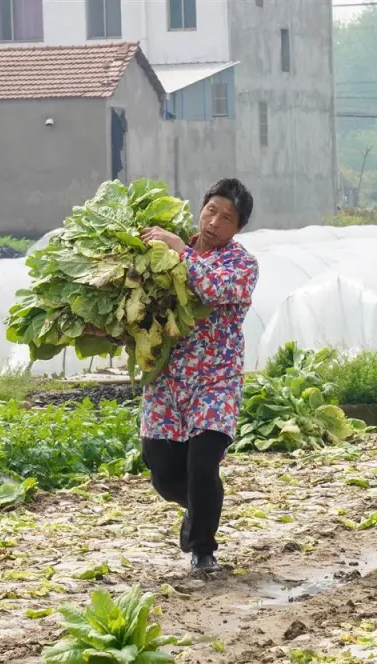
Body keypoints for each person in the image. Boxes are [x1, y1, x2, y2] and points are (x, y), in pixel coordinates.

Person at [138, 178, 259, 574]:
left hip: (215, 381)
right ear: (201, 206)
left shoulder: (241, 265)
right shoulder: (162, 250)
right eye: (212, 210)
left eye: (227, 218)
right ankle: (199, 505)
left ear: (238, 228)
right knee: (163, 474)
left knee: (203, 466)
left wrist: (179, 249)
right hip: (167, 380)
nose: (214, 222)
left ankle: (203, 550)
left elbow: (208, 288)